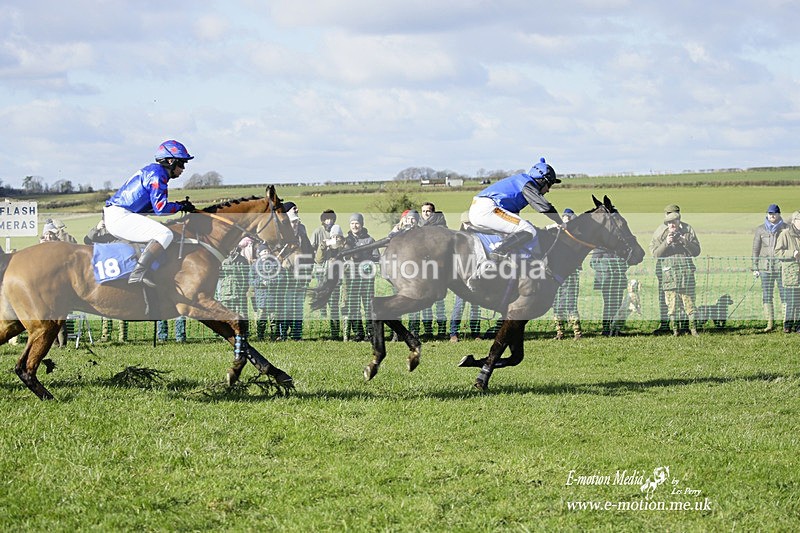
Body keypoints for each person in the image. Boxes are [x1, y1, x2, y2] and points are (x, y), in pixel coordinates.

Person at [103, 140, 195, 287]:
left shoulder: (154, 171)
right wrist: (180, 206)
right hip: (121, 216)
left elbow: (151, 208)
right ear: (170, 161)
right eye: (181, 163)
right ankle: (138, 274)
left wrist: (180, 206)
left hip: (119, 213)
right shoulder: (158, 175)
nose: (183, 169)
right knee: (165, 235)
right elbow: (160, 208)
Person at [468, 157, 562, 261]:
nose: (548, 190)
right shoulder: (527, 185)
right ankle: (499, 252)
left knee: (523, 227)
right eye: (549, 185)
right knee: (527, 230)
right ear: (542, 181)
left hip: (482, 208)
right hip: (488, 209)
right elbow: (544, 207)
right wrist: (560, 222)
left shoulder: (521, 180)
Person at [649, 204, 699, 334]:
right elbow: (655, 254)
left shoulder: (687, 230)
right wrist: (666, 243)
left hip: (685, 272)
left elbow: (696, 251)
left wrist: (684, 241)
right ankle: (666, 326)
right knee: (668, 301)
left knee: (688, 301)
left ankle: (686, 327)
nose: (673, 222)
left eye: (675, 217)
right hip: (666, 273)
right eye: (670, 218)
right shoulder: (660, 232)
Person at [343, 213, 380, 342]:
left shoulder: (370, 240)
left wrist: (366, 260)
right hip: (351, 279)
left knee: (369, 306)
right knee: (354, 306)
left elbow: (376, 256)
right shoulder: (346, 241)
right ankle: (358, 333)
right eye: (352, 223)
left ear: (362, 224)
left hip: (367, 279)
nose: (355, 225)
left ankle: (371, 332)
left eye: (357, 223)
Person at [752, 204, 787, 332]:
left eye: (774, 213)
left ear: (779, 214)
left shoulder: (786, 229)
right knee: (767, 295)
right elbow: (755, 249)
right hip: (765, 268)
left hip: (782, 267)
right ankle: (769, 323)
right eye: (770, 213)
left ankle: (786, 323)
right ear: (767, 214)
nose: (772, 215)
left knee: (785, 295)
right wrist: (755, 267)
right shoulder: (760, 230)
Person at [312, 210, 343, 339]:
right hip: (321, 270)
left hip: (335, 273)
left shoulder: (340, 237)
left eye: (331, 219)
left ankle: (335, 331)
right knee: (321, 294)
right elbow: (315, 253)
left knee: (334, 304)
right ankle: (323, 317)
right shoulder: (318, 232)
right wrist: (323, 246)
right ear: (323, 220)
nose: (329, 221)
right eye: (327, 219)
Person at [418, 202, 448, 338]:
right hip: (423, 271)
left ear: (433, 212)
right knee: (426, 301)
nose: (425, 214)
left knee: (439, 301)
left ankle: (442, 330)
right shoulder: (418, 228)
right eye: (423, 211)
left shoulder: (441, 227)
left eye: (428, 211)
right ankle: (428, 330)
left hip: (439, 270)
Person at [553, 209, 582, 339]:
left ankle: (577, 332)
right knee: (556, 302)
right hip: (556, 274)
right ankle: (560, 331)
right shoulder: (555, 233)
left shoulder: (576, 236)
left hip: (570, 274)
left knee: (570, 302)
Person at [590, 245, 628, 336]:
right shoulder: (600, 247)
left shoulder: (621, 247)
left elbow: (627, 262)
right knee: (608, 304)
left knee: (618, 304)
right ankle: (606, 328)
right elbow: (593, 263)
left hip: (618, 279)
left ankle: (616, 329)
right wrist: (607, 268)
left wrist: (621, 267)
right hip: (606, 280)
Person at [774, 210, 800, 333]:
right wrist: (792, 253)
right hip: (790, 273)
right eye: (799, 220)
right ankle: (787, 325)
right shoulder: (785, 234)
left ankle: (799, 326)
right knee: (791, 301)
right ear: (794, 221)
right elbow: (777, 252)